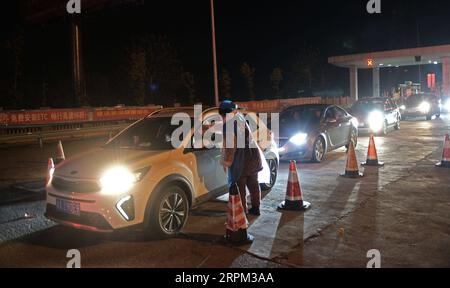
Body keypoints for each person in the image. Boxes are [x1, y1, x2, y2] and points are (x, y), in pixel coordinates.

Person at [219, 101, 263, 216]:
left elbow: (230, 147)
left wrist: (227, 162)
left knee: (240, 189)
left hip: (241, 160)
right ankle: (256, 208)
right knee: (254, 184)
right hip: (253, 156)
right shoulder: (240, 118)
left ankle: (242, 215)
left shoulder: (228, 125)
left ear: (223, 113)